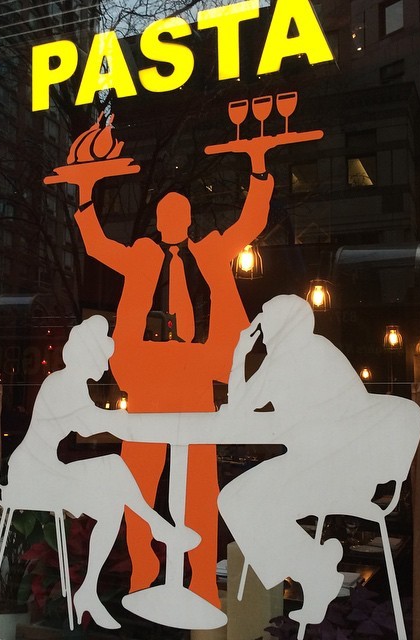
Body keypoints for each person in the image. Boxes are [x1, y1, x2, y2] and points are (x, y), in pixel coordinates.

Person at [112, 295, 420, 636]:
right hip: (323, 464)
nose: (260, 325)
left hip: (333, 470)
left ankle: (314, 570)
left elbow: (239, 409)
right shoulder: (301, 350)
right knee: (238, 501)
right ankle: (315, 569)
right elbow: (242, 408)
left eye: (265, 317)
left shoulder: (298, 354)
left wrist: (241, 356)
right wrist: (241, 357)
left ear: (282, 322)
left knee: (240, 502)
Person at [69, 120, 274, 607]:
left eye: (179, 214)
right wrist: (85, 195)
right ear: (159, 222)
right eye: (165, 214)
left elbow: (250, 223)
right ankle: (144, 571)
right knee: (139, 483)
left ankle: (200, 578)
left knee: (199, 488)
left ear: (188, 220)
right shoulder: (142, 256)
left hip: (195, 374)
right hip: (147, 377)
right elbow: (96, 245)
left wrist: (259, 166)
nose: (172, 221)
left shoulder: (210, 252)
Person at [0, 316, 199, 629]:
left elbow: (93, 420)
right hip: (33, 473)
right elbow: (90, 424)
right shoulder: (61, 384)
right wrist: (133, 419)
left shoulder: (71, 384)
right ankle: (157, 526)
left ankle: (89, 590)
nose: (105, 366)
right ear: (87, 355)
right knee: (113, 468)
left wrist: (129, 420)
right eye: (102, 358)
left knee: (111, 502)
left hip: (47, 469)